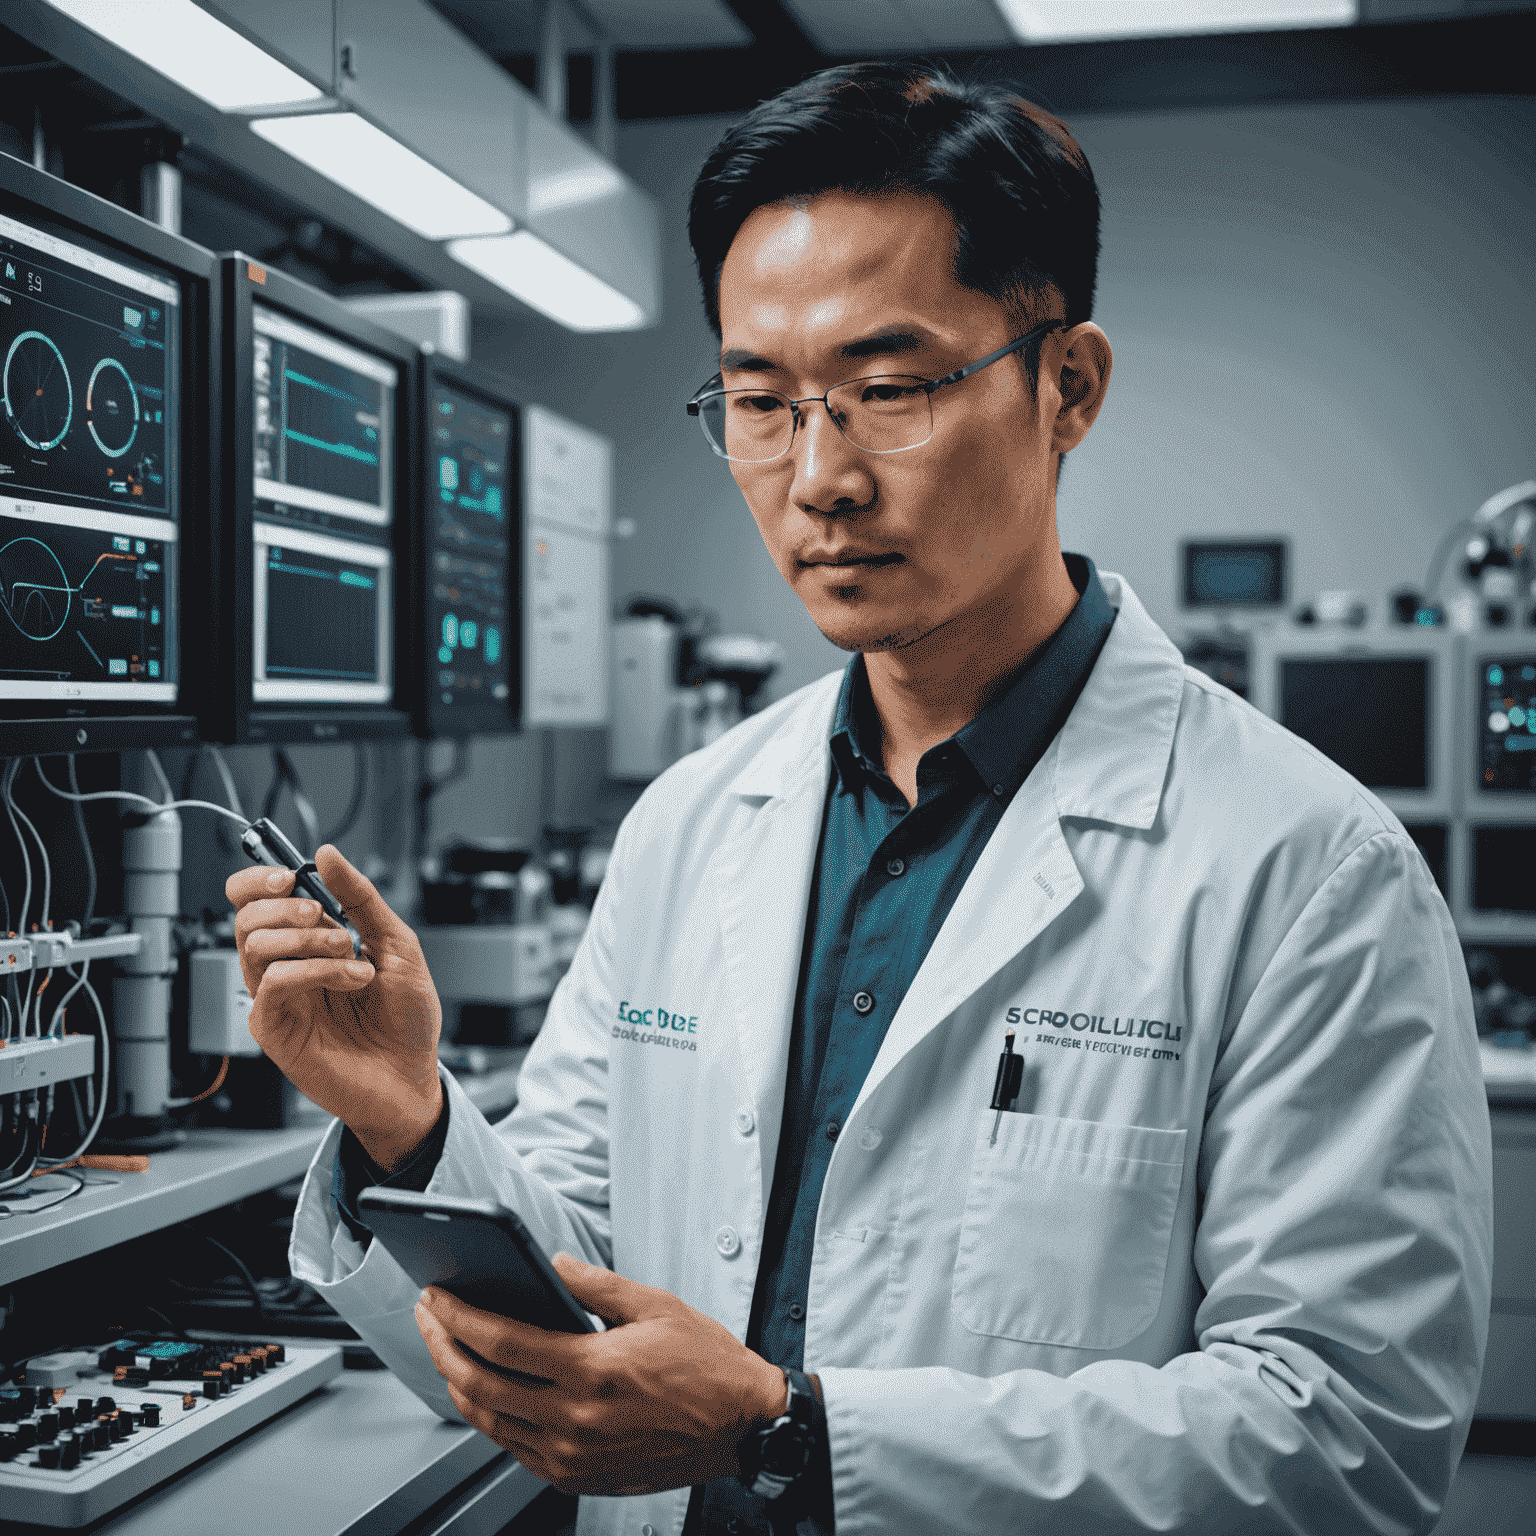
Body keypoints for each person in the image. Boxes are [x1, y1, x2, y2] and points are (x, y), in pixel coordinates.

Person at [229, 61, 1492, 1536]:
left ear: (1065, 385)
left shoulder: (1306, 866)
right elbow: (571, 1287)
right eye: (760, 400)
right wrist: (406, 1120)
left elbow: (1350, 1433)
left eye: (887, 391)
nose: (816, 475)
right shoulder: (693, 824)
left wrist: (791, 1437)